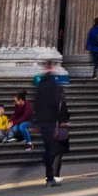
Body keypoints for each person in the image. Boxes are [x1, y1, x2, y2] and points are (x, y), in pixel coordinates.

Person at [31, 57, 68, 186]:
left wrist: (36, 122)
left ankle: (50, 177)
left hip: (42, 121)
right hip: (51, 122)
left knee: (48, 149)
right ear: (52, 68)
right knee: (49, 150)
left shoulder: (41, 84)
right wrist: (61, 120)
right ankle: (49, 177)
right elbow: (56, 104)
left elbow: (36, 103)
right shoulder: (54, 85)